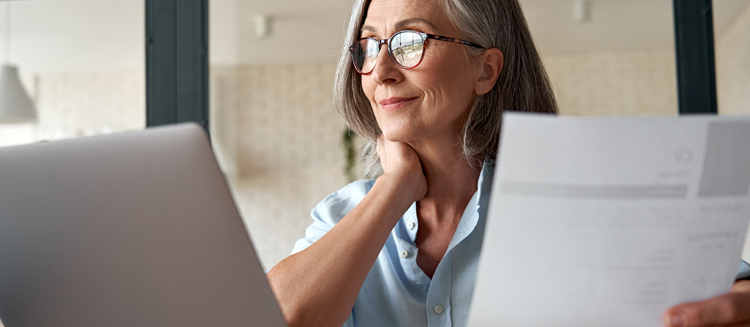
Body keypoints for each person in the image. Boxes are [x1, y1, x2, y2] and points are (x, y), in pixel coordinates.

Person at [266, 0, 750, 326]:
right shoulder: (340, 216)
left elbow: (732, 289)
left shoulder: (570, 198)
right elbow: (276, 318)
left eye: (410, 42)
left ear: (485, 69)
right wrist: (396, 186)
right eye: (368, 46)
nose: (382, 71)